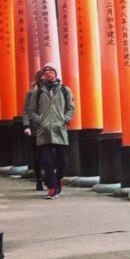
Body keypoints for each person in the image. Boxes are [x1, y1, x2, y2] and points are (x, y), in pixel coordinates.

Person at [23, 63, 75, 200]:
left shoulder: (65, 90)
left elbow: (71, 108)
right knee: (47, 161)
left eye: (51, 70)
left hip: (59, 129)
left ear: (56, 73)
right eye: (46, 71)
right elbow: (31, 110)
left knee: (63, 160)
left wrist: (65, 119)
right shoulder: (38, 91)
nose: (48, 73)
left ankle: (58, 179)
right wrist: (39, 121)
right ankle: (52, 187)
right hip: (44, 130)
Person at [22, 68, 44, 191]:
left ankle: (48, 178)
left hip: (48, 128)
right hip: (35, 129)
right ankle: (39, 179)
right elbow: (26, 111)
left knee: (48, 155)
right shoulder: (31, 94)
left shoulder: (53, 92)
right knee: (37, 156)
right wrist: (27, 126)